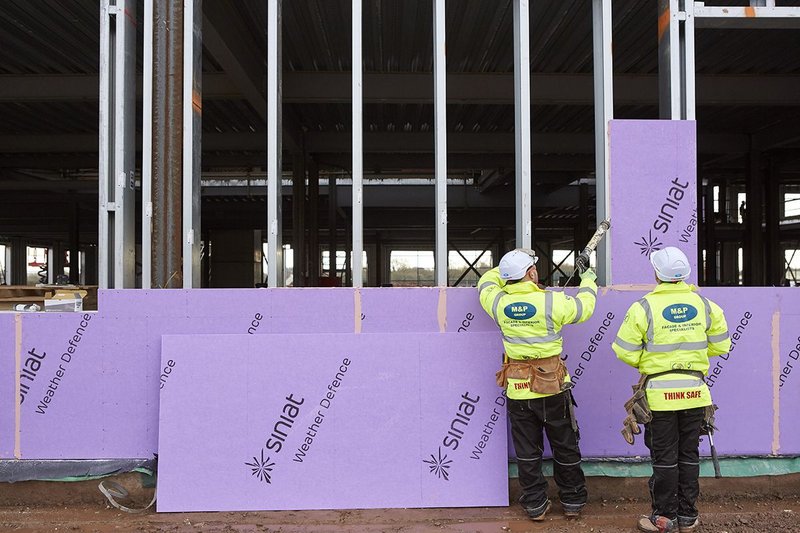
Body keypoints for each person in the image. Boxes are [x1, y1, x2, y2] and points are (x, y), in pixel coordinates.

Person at [612, 246, 730, 533]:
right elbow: (721, 345)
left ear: (656, 274)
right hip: (695, 393)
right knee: (688, 456)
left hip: (660, 398)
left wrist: (653, 364)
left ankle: (664, 518)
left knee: (664, 458)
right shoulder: (706, 306)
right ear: (686, 274)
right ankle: (688, 517)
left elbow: (623, 351)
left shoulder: (644, 307)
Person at [478, 248, 598, 521]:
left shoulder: (497, 303)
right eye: (533, 268)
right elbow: (586, 307)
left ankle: (535, 505)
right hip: (552, 387)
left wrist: (508, 267)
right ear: (531, 273)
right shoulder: (551, 302)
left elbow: (486, 281)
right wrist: (588, 276)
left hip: (519, 389)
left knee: (527, 450)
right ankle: (572, 501)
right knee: (564, 444)